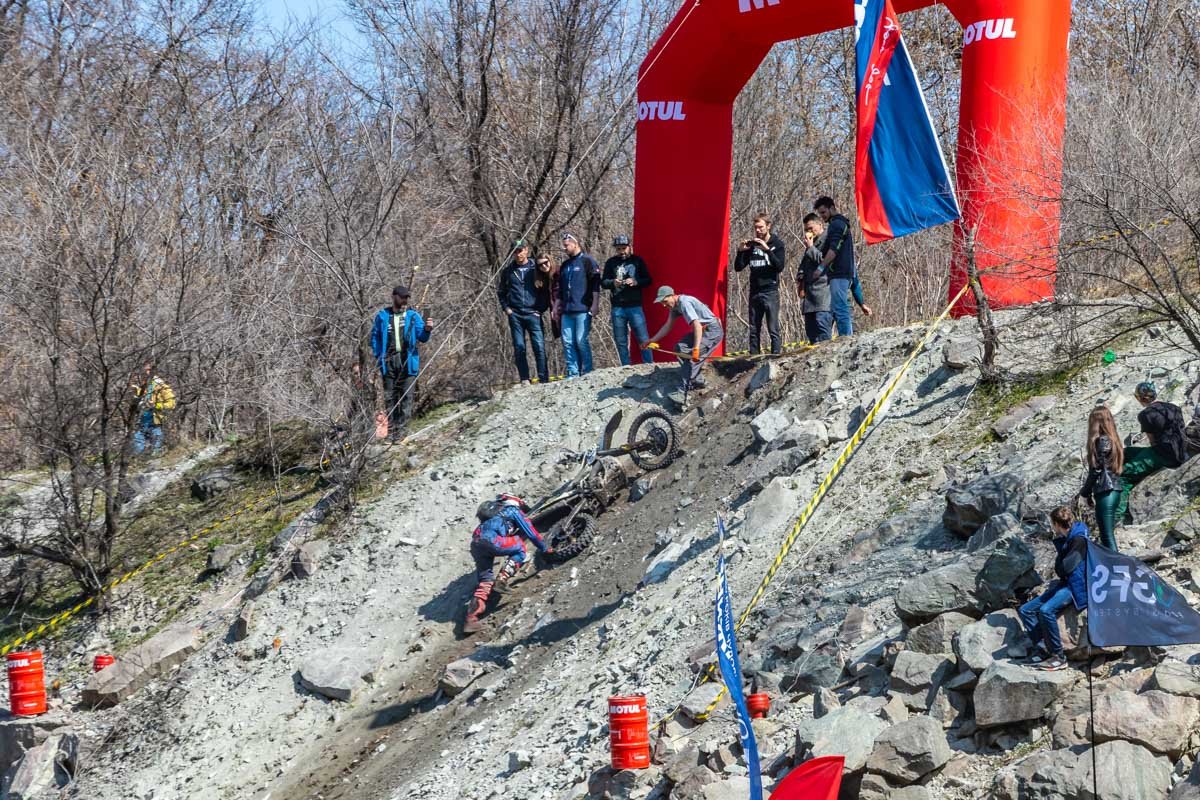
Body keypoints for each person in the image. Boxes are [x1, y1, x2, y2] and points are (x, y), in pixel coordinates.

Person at [464, 493, 551, 634]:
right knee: (519, 546)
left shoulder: (486, 522)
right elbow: (531, 533)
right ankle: (503, 579)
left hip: (476, 543)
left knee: (485, 580)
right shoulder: (512, 510)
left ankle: (471, 619)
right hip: (492, 540)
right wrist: (545, 548)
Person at [1017, 506, 1088, 672]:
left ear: (1056, 524)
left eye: (1052, 523)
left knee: (1046, 610)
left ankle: (1058, 656)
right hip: (1066, 582)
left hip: (1076, 585)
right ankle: (1044, 648)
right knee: (1026, 610)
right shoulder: (1070, 536)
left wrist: (1060, 566)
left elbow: (1066, 567)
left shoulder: (1078, 539)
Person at [643, 286, 724, 409]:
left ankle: (682, 393)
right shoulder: (674, 307)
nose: (664, 305)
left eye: (665, 301)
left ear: (672, 295)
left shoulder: (684, 303)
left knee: (692, 358)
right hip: (703, 330)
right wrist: (651, 340)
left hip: (712, 330)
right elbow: (667, 326)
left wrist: (696, 348)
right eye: (662, 303)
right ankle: (697, 379)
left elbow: (696, 325)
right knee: (679, 348)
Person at [1117, 382, 1188, 522]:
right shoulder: (1174, 408)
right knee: (1128, 452)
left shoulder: (1146, 414)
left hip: (1164, 455)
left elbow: (1152, 441)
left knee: (1123, 474)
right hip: (1180, 451)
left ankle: (1119, 516)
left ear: (1140, 399)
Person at [370, 285, 432, 441]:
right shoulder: (382, 316)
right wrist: (379, 356)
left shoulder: (413, 316)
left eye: (406, 298)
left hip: (408, 361)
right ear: (394, 297)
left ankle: (402, 434)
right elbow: (374, 337)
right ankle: (391, 434)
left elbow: (422, 337)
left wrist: (427, 329)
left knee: (406, 397)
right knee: (390, 398)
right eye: (402, 297)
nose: (404, 300)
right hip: (388, 362)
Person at [733, 213, 786, 355]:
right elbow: (738, 267)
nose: (758, 230)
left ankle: (776, 355)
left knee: (773, 327)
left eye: (761, 227)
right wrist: (740, 252)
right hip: (754, 291)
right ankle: (753, 357)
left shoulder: (777, 244)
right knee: (754, 328)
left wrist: (767, 250)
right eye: (756, 228)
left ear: (768, 226)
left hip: (770, 291)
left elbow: (779, 267)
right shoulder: (752, 245)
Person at [497, 240, 549, 385]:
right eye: (515, 251)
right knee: (519, 347)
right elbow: (501, 292)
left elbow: (545, 290)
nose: (518, 254)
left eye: (520, 250)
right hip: (516, 314)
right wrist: (507, 309)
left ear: (526, 250)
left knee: (539, 346)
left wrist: (540, 309)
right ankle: (524, 378)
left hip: (534, 313)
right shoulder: (508, 271)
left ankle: (543, 377)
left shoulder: (536, 267)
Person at [602, 235, 653, 365]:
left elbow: (648, 280)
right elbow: (603, 283)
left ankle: (648, 364)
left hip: (635, 306)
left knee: (643, 337)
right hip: (617, 306)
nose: (622, 251)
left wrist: (636, 281)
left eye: (624, 248)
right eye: (619, 249)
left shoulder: (637, 261)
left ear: (629, 247)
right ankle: (625, 366)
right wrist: (613, 283)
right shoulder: (611, 262)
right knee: (620, 340)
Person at [1079, 405, 1124, 551]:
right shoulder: (1114, 440)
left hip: (1106, 491)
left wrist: (1085, 493)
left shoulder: (1101, 441)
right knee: (1107, 535)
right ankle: (1117, 567)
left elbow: (1096, 469)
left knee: (1107, 537)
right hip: (1114, 489)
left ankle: (1117, 569)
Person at [557, 233, 601, 377]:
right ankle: (573, 372)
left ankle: (587, 371)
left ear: (575, 243)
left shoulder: (588, 261)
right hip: (567, 311)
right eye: (563, 245)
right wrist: (557, 305)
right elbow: (561, 289)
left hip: (582, 309)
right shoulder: (565, 265)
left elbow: (595, 284)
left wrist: (595, 304)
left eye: (566, 245)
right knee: (568, 342)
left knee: (581, 341)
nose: (564, 248)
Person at [814, 196, 857, 337]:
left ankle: (846, 337)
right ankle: (845, 335)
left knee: (840, 306)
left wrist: (821, 268)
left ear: (832, 208)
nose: (822, 216)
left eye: (824, 212)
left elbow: (833, 250)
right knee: (837, 306)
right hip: (837, 272)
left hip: (840, 272)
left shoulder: (837, 224)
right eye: (820, 214)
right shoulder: (835, 224)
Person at [796, 213, 833, 344]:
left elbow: (826, 261)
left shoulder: (828, 240)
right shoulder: (810, 244)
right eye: (806, 229)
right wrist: (800, 277)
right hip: (810, 297)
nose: (809, 232)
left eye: (811, 228)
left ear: (820, 225)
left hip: (824, 295)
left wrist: (811, 248)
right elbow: (804, 264)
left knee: (823, 334)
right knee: (811, 334)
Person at [131, 364, 176, 457]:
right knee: (137, 447)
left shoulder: (161, 386)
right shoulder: (142, 386)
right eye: (143, 371)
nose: (145, 373)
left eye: (147, 370)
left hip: (155, 421)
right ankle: (140, 464)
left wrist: (157, 405)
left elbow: (171, 403)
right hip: (141, 421)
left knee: (156, 450)